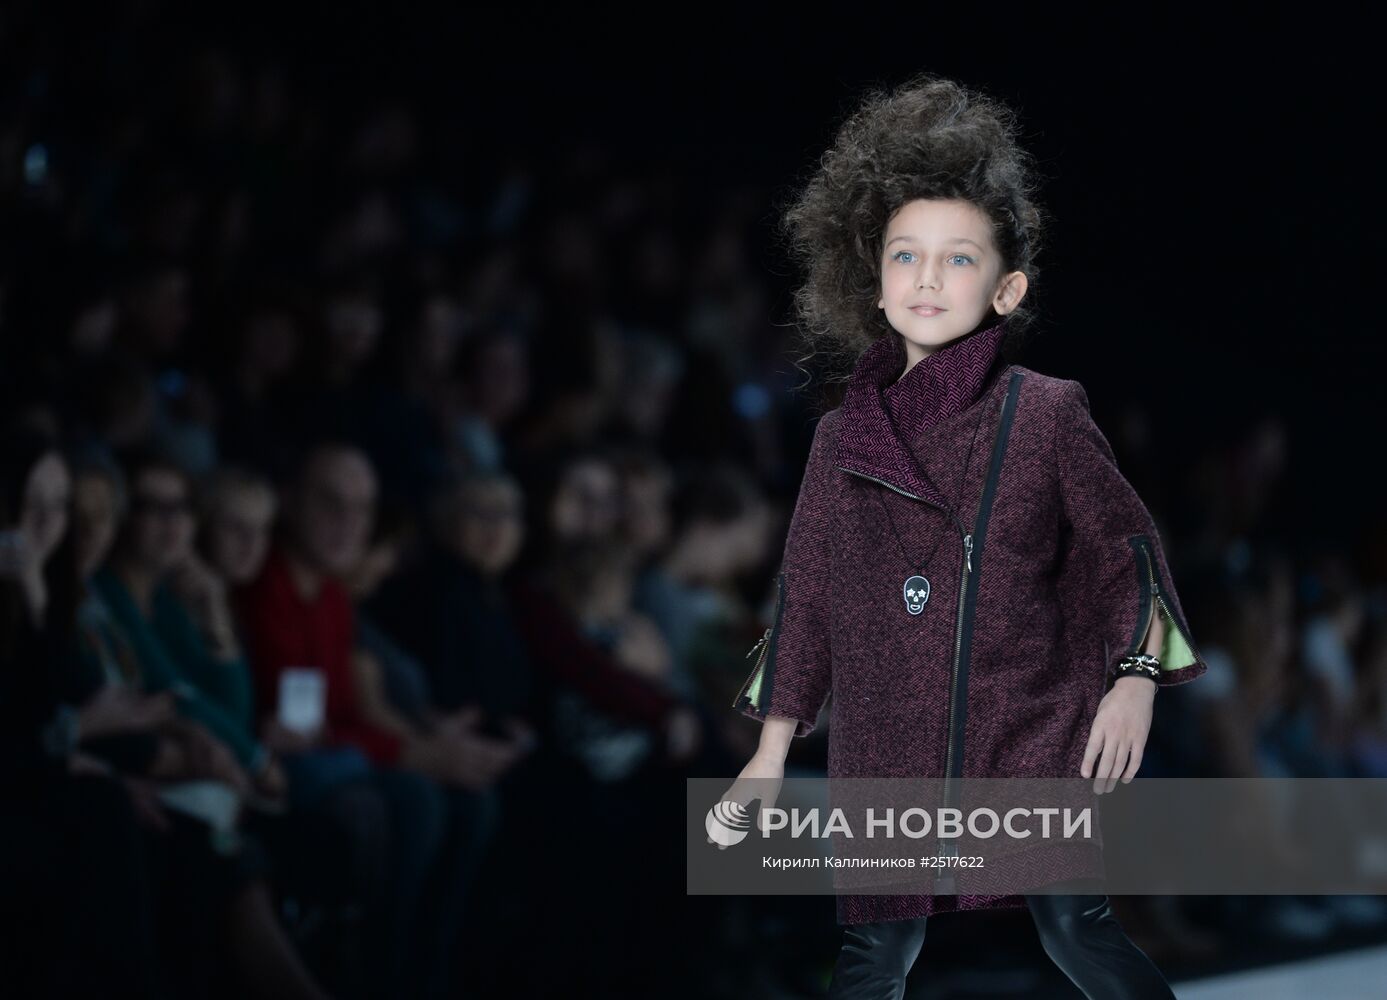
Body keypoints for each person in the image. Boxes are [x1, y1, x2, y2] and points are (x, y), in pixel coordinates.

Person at [717, 74, 1208, 999]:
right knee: (875, 953)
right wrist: (770, 755)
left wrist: (1134, 681)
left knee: (1074, 928)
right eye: (905, 256)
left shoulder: (1044, 412)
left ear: (1005, 288)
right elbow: (809, 596)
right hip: (884, 739)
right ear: (873, 281)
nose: (927, 279)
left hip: (1026, 727)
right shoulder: (839, 438)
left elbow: (1122, 552)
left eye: (957, 259)